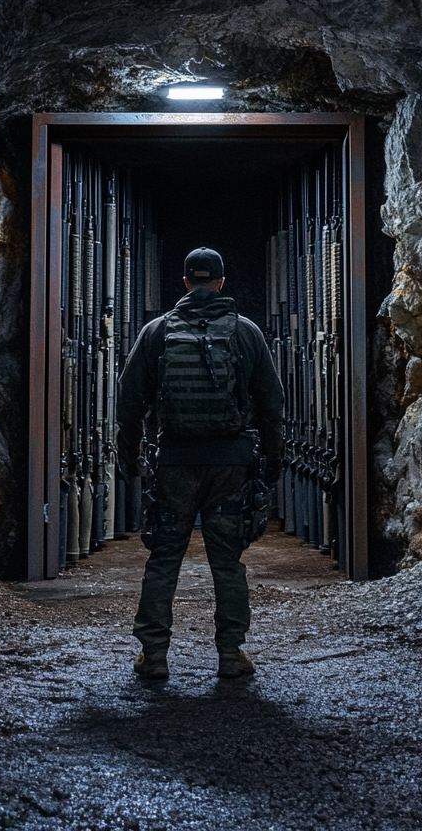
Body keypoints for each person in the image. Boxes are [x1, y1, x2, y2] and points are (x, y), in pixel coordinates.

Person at [116, 247, 284, 680]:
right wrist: (273, 462)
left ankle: (153, 655)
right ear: (222, 283)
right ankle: (230, 654)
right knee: (227, 562)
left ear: (186, 283)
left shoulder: (157, 332)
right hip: (230, 464)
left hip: (174, 462)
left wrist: (128, 455)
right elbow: (271, 402)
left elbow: (128, 398)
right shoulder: (246, 333)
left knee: (164, 559)